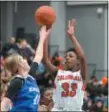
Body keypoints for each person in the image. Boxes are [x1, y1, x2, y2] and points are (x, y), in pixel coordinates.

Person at [1, 26, 50, 112]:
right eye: (23, 59)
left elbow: (38, 56)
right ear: (19, 64)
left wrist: (42, 38)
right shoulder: (17, 81)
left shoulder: (30, 77)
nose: (26, 60)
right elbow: (5, 103)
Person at [43, 19, 88, 111]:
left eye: (71, 56)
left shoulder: (81, 75)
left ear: (77, 62)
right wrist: (45, 36)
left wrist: (72, 37)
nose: (67, 58)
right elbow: (45, 60)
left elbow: (82, 57)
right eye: (66, 56)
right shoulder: (58, 73)